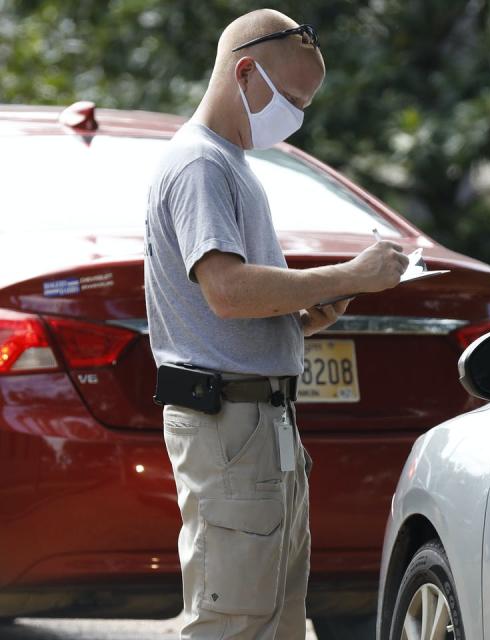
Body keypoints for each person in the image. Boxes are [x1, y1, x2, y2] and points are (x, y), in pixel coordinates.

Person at [144, 9, 408, 639]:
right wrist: (349, 275)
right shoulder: (200, 164)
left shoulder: (229, 163)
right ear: (244, 71)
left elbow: (236, 305)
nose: (296, 115)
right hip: (230, 425)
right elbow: (228, 292)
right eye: (290, 98)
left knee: (274, 622)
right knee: (233, 622)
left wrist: (300, 318)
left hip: (260, 424)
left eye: (304, 103)